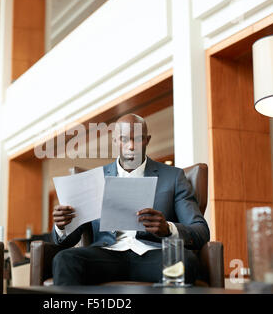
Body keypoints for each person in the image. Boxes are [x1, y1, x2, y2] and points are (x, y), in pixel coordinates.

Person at [51, 114, 210, 285]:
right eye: (124, 139)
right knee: (65, 259)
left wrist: (168, 229)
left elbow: (201, 231)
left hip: (153, 254)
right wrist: (62, 226)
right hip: (107, 254)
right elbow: (69, 239)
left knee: (184, 262)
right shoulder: (96, 178)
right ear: (115, 141)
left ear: (147, 140)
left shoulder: (173, 177)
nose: (131, 146)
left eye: (138, 139)